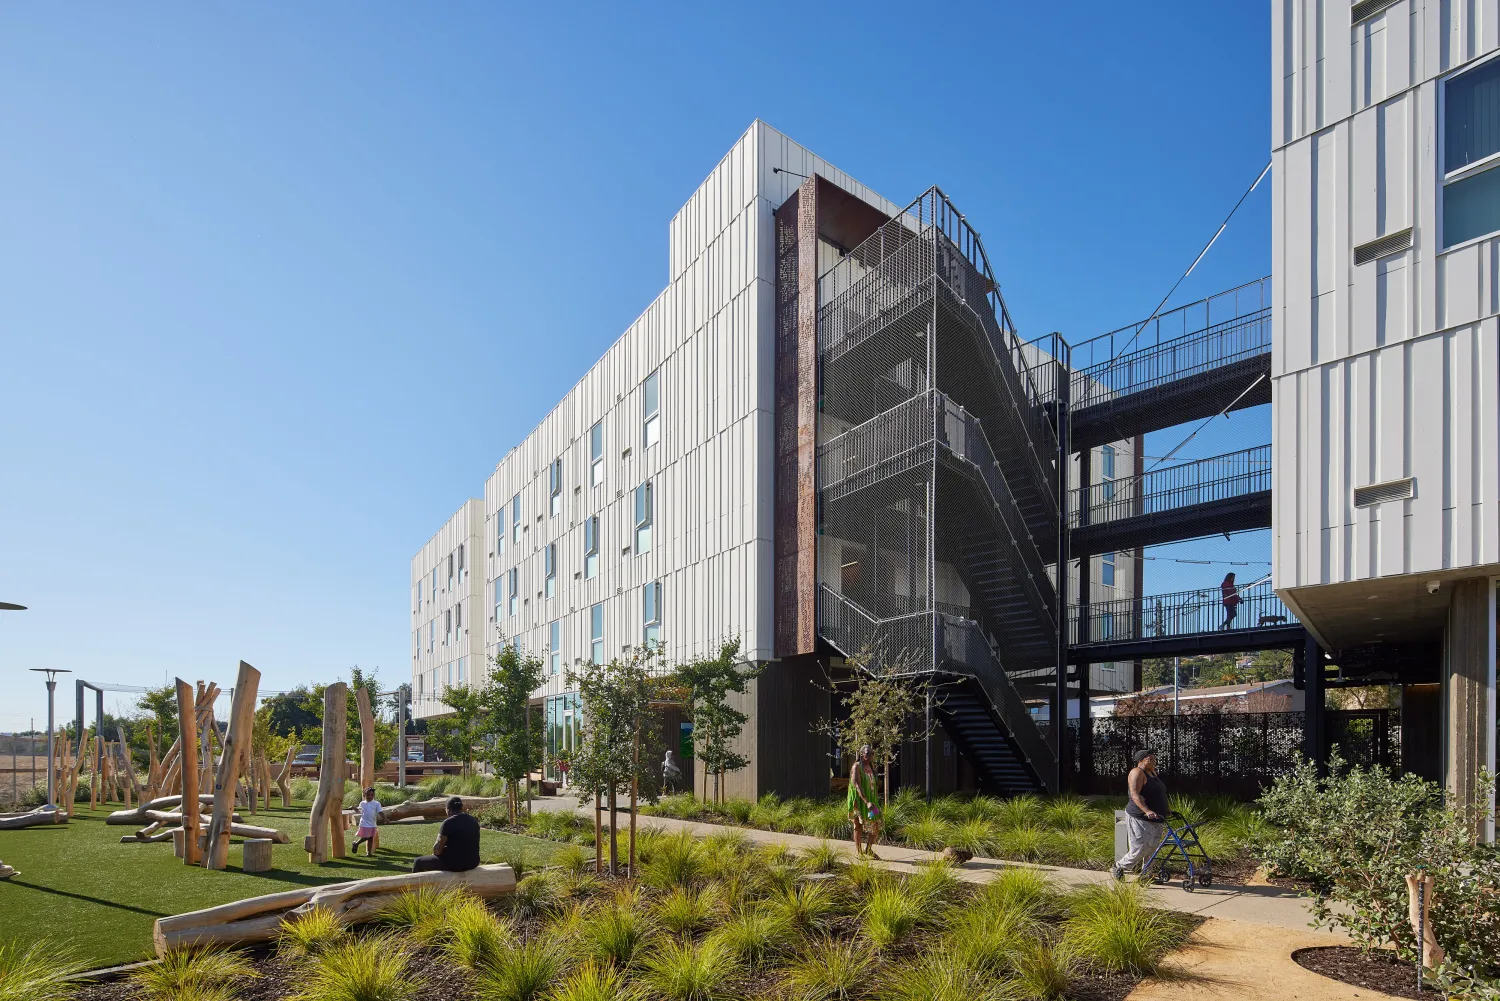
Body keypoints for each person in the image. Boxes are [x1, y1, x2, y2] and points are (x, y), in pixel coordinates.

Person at [1112, 749, 1168, 880]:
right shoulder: (1136, 772)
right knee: (1140, 847)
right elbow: (1134, 794)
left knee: (1152, 847)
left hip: (1157, 816)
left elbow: (1160, 794)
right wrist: (1147, 811)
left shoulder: (1153, 773)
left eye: (1154, 758)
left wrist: (1167, 809)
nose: (1153, 760)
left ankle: (1146, 875)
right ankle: (1119, 866)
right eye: (1149, 758)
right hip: (1139, 816)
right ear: (1140, 760)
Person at [412, 796, 482, 873]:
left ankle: (414, 884)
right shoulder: (473, 820)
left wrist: (435, 855)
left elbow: (437, 850)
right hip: (473, 862)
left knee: (418, 862)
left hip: (454, 864)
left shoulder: (448, 822)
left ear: (448, 809)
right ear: (461, 808)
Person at [846, 744, 882, 859]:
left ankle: (868, 850)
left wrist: (874, 800)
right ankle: (858, 851)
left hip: (872, 801)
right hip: (858, 801)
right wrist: (866, 802)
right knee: (858, 825)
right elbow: (857, 785)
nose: (870, 756)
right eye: (868, 754)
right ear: (862, 754)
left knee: (876, 823)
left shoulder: (871, 766)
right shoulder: (857, 767)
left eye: (872, 754)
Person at [350, 787, 382, 857]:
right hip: (364, 823)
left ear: (374, 795)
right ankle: (356, 844)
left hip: (373, 824)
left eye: (371, 795)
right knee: (367, 837)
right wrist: (354, 808)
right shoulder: (362, 803)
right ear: (364, 795)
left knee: (370, 838)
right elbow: (358, 811)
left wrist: (385, 818)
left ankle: (369, 853)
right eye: (368, 795)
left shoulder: (376, 803)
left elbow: (380, 812)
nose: (370, 796)